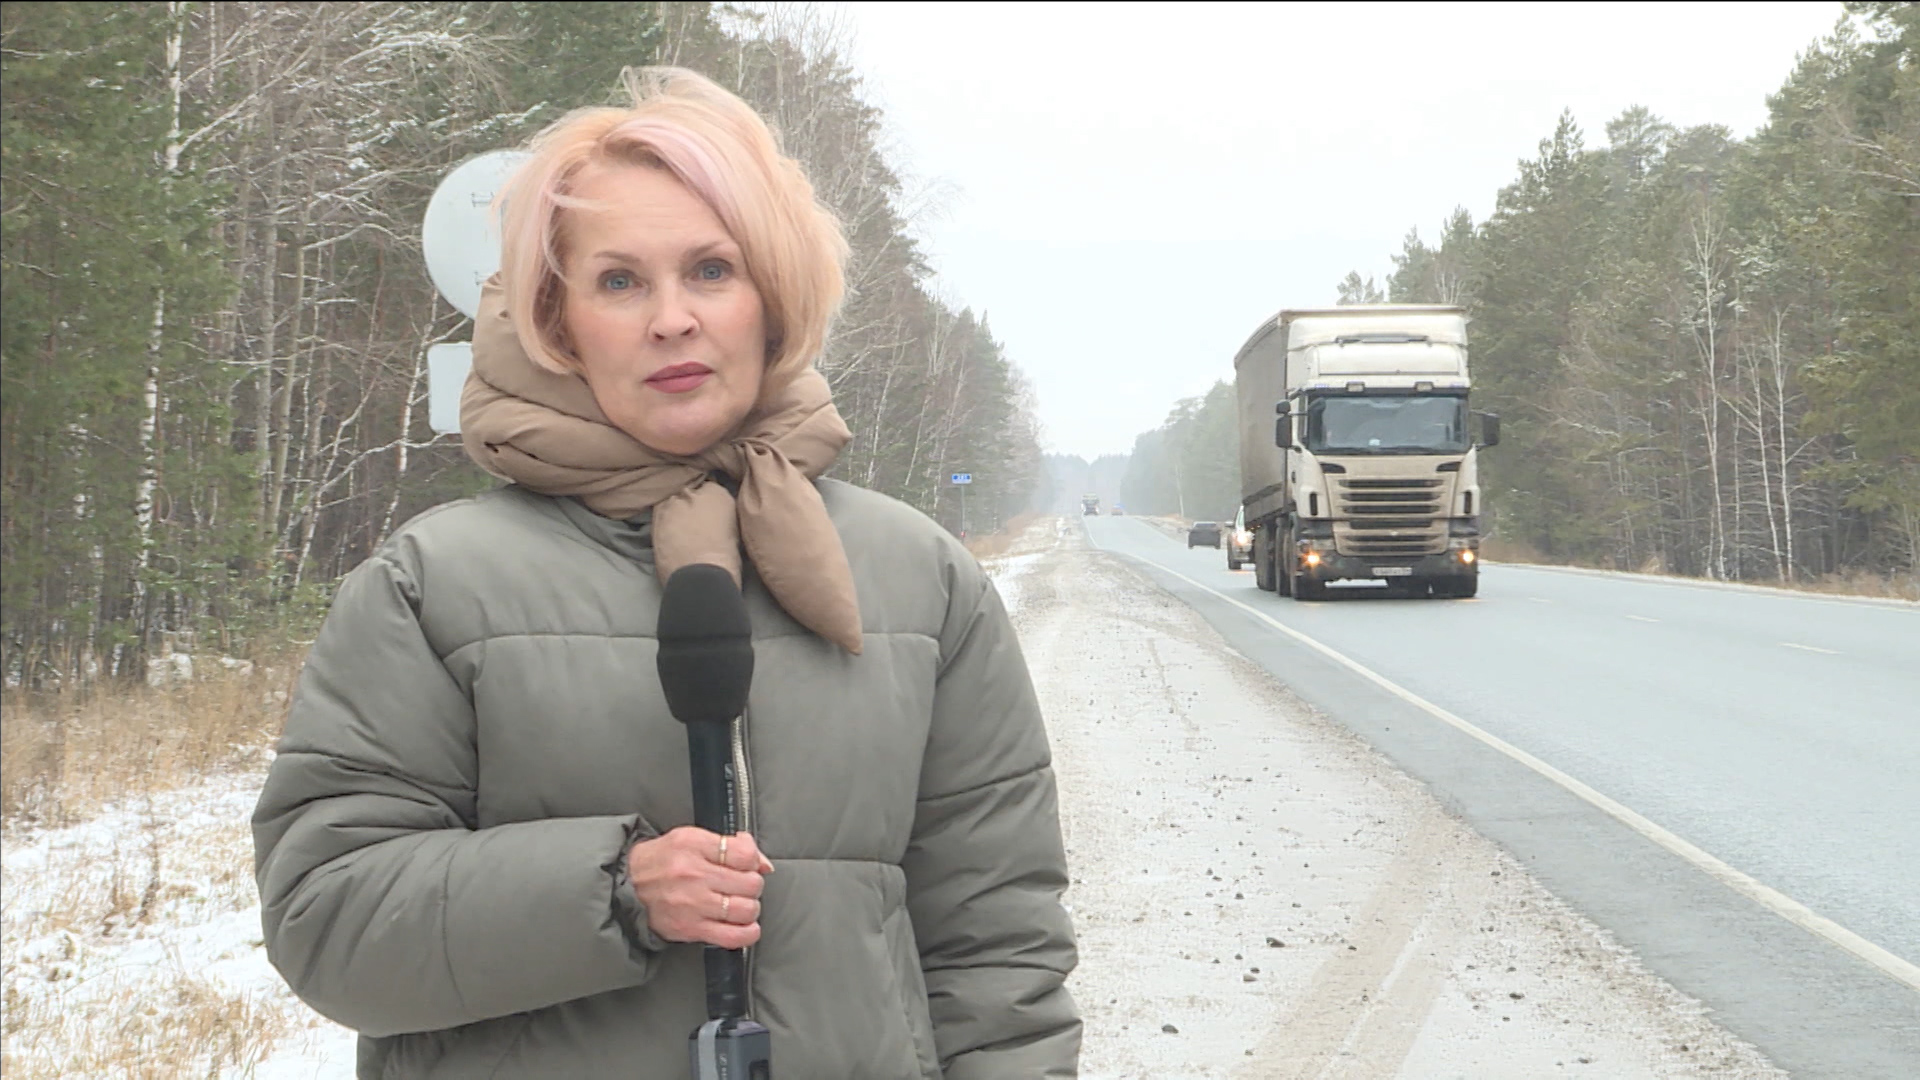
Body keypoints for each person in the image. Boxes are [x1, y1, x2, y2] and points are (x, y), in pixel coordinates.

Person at [251, 67, 1079, 1079]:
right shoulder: (433, 587)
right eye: (619, 282)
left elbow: (999, 947)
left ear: (774, 297)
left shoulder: (921, 581)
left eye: (712, 270)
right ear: (556, 321)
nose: (672, 319)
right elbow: (327, 919)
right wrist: (614, 891)